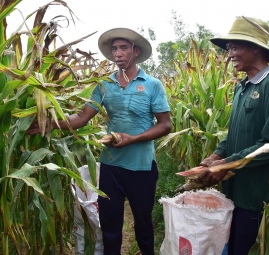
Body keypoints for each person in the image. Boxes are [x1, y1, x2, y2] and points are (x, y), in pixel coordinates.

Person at [27, 28, 171, 255]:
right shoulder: (104, 84)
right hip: (111, 166)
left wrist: (132, 139)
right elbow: (82, 117)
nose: (118, 53)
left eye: (124, 48)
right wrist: (51, 122)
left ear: (136, 52)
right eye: (114, 49)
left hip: (142, 167)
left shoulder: (152, 85)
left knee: (143, 223)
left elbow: (165, 125)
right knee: (110, 223)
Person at [197, 16, 269, 255]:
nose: (230, 55)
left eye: (234, 48)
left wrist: (225, 164)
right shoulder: (242, 87)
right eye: (228, 49)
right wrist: (216, 155)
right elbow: (234, 133)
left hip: (253, 195)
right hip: (233, 191)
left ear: (255, 48)